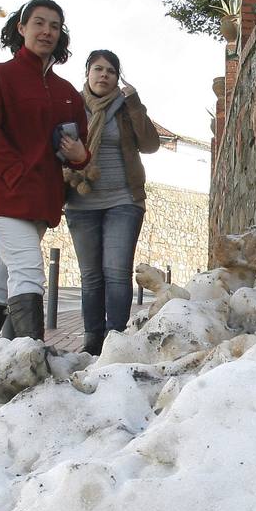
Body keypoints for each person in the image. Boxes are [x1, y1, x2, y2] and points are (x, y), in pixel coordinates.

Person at [0, 0, 91, 345]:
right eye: (38, 22)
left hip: (40, 200)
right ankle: (30, 356)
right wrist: (16, 174)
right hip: (4, 193)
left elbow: (78, 146)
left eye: (54, 25)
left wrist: (81, 155)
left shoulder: (67, 92)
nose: (46, 31)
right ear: (21, 28)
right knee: (28, 268)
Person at [63, 49, 162, 355]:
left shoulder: (125, 107)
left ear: (118, 78)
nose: (104, 75)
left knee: (116, 272)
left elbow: (150, 144)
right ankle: (92, 341)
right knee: (91, 275)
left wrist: (134, 104)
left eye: (110, 71)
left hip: (123, 199)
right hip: (81, 199)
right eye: (98, 69)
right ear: (87, 74)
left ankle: (116, 340)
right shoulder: (70, 106)